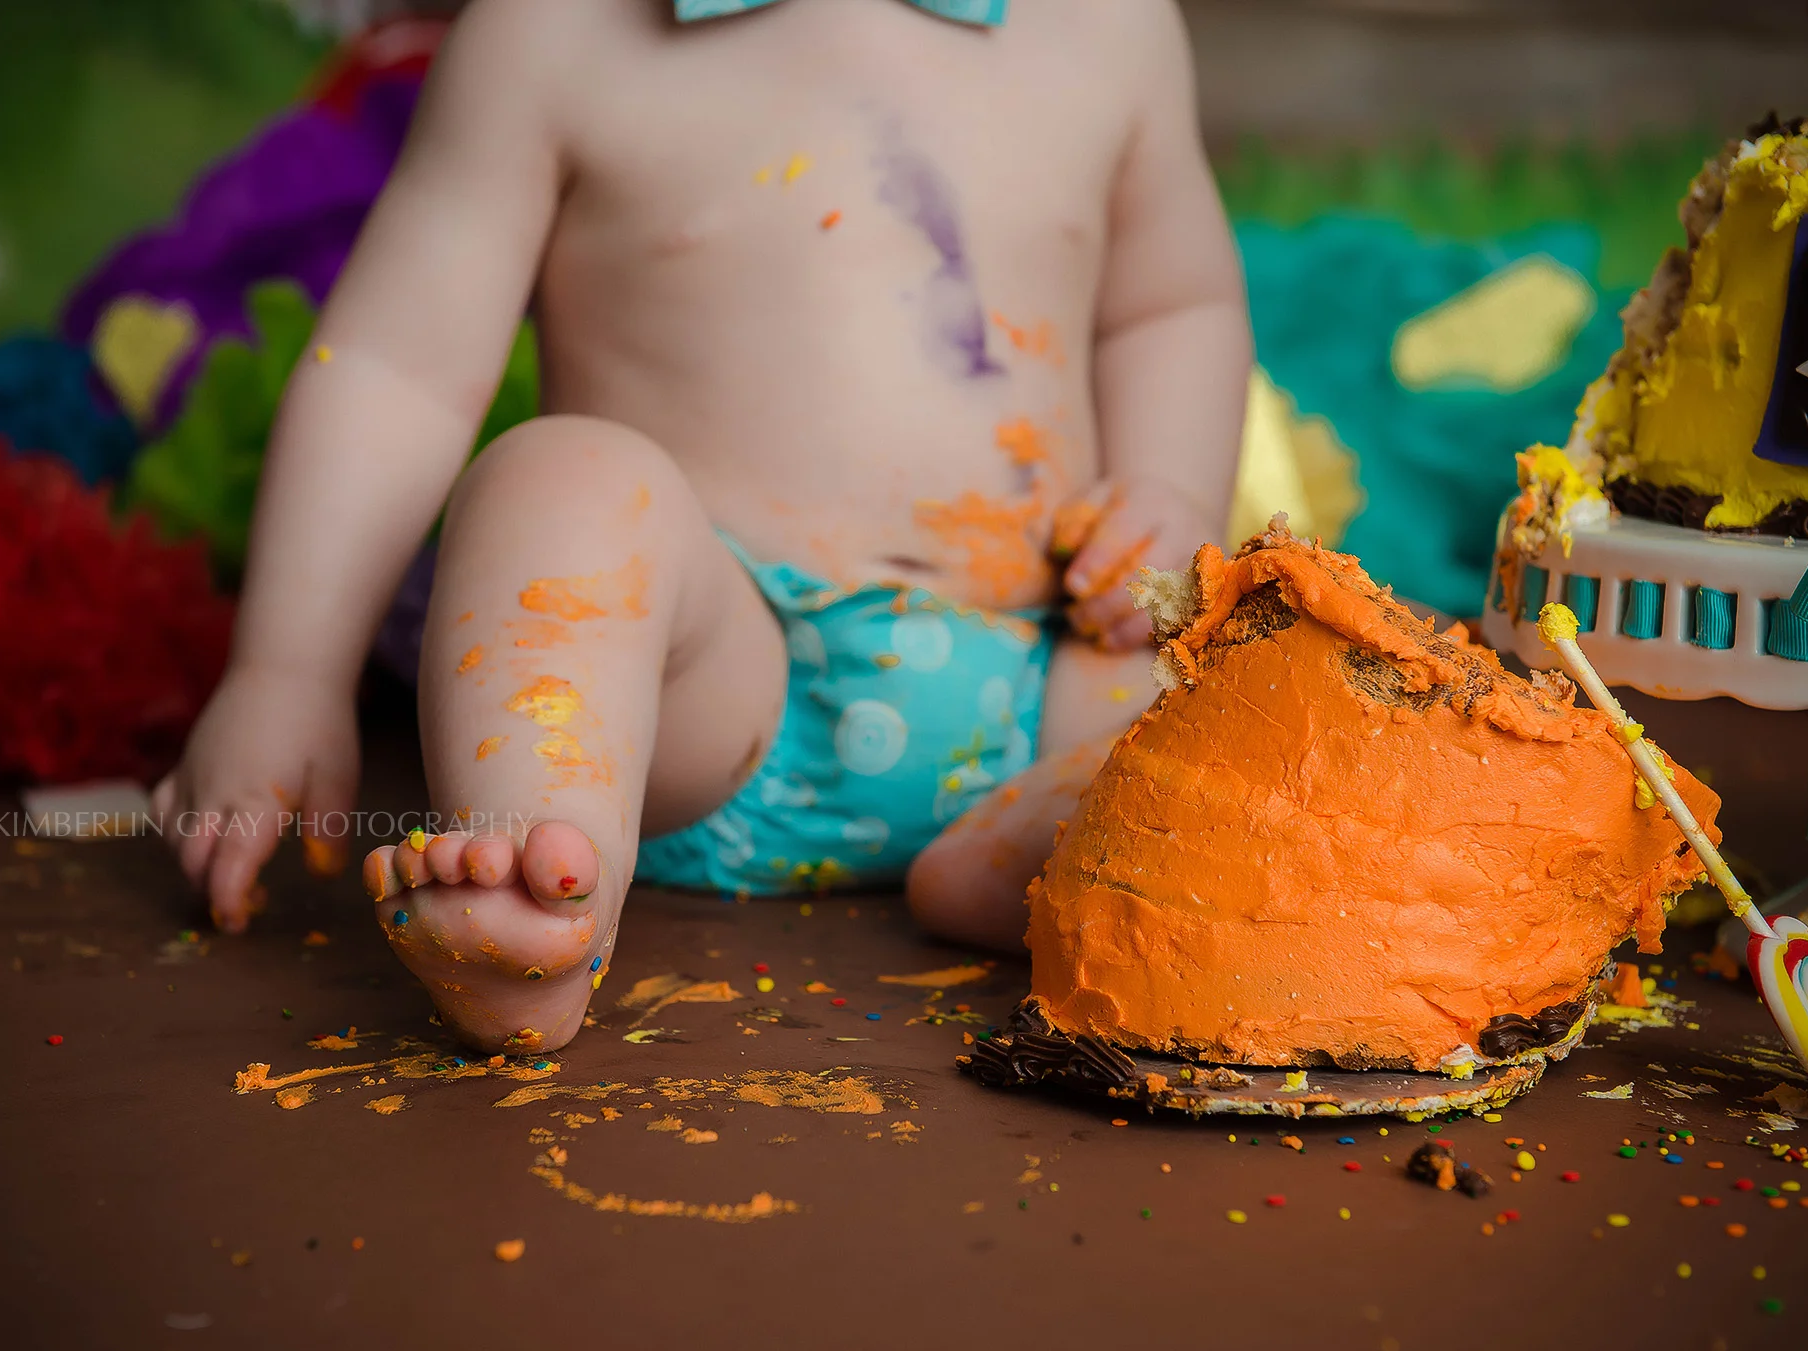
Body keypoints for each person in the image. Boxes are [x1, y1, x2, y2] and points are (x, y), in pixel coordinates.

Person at [154, 0, 1252, 1053]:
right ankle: (538, 880)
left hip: (1046, 674)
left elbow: (1169, 306)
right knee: (557, 479)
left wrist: (1168, 496)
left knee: (1287, 682)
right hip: (707, 692)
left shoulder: (1107, 24)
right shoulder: (548, 35)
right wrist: (285, 670)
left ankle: (1023, 859)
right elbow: (399, 369)